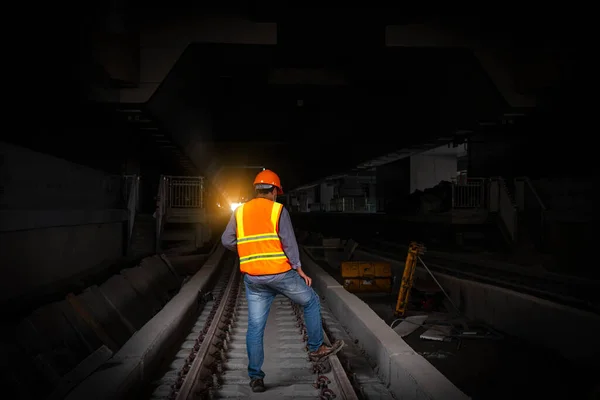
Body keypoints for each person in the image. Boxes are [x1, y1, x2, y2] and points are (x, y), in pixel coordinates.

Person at [221, 169, 345, 393]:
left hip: (254, 279)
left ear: (256, 190)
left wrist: (249, 250)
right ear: (275, 191)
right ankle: (316, 348)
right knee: (311, 301)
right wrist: (298, 269)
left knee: (255, 328)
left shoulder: (239, 211)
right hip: (280, 275)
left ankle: (256, 378)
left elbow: (227, 240)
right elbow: (288, 243)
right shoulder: (278, 210)